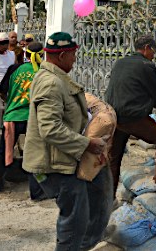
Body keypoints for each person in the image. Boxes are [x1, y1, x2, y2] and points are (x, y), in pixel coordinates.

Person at [23, 32, 111, 251]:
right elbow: (50, 128)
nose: (74, 59)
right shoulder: (51, 83)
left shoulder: (56, 77)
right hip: (56, 166)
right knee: (73, 224)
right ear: (62, 55)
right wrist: (86, 143)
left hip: (63, 159)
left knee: (86, 212)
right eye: (73, 55)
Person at [106, 35, 156, 198]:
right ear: (146, 48)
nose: (154, 55)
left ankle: (107, 197)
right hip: (132, 116)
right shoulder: (146, 65)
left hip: (113, 115)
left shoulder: (121, 62)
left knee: (114, 157)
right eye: (154, 50)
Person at [0, 41, 45, 196]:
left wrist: (11, 102)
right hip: (33, 119)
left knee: (2, 151)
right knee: (35, 153)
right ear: (42, 55)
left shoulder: (14, 69)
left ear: (25, 55)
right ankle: (36, 191)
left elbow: (2, 90)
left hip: (12, 117)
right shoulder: (43, 72)